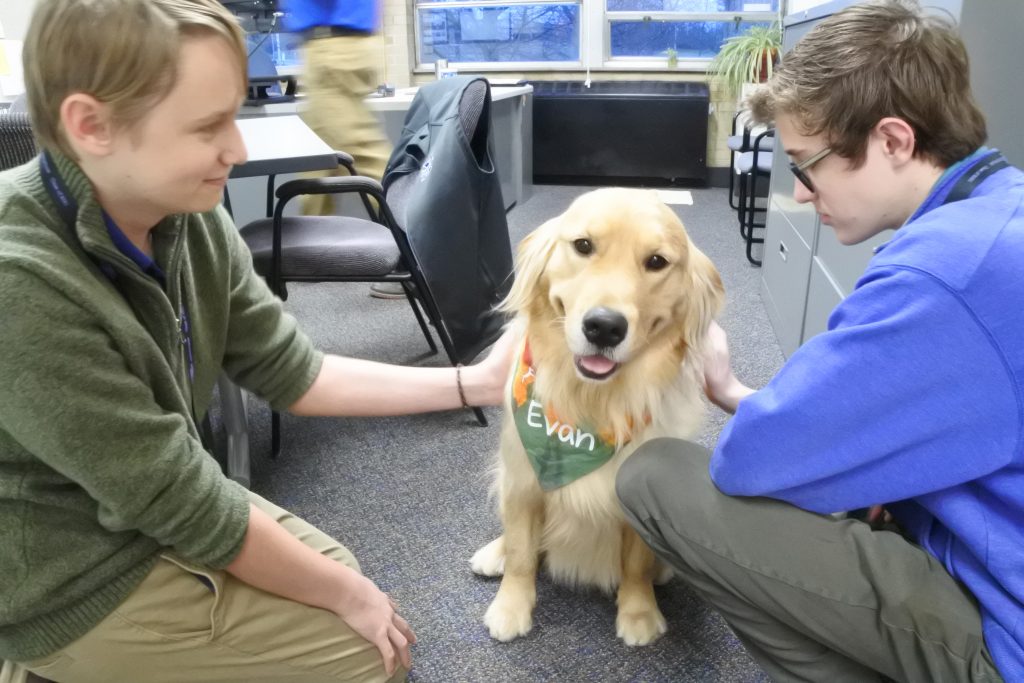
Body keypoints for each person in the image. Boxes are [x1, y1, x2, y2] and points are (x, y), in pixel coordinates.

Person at [0, 1, 514, 682]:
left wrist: (473, 382)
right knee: (364, 651)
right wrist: (345, 595)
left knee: (343, 585)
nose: (236, 151)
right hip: (70, 576)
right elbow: (183, 500)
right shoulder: (20, 281)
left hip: (145, 505)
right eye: (209, 125)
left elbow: (293, 370)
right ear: (91, 125)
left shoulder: (187, 213)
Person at [616, 1, 1022, 681]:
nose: (801, 195)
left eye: (807, 166)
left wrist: (740, 404)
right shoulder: (1000, 207)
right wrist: (732, 391)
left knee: (656, 476)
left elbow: (750, 462)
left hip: (1004, 637)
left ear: (893, 141)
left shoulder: (943, 273)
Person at [279, 0, 404, 299]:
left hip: (335, 46)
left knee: (363, 155)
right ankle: (311, 253)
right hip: (330, 45)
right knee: (318, 158)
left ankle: (418, 251)